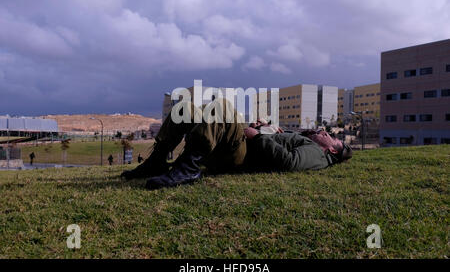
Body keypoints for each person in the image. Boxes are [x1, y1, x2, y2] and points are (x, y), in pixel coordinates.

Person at [121, 99, 352, 190]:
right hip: (239, 145)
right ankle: (157, 161)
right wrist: (260, 127)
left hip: (240, 156)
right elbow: (278, 144)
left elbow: (289, 163)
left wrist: (256, 135)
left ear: (332, 149)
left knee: (221, 106)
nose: (325, 132)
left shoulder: (319, 155)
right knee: (184, 108)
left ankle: (189, 170)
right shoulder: (306, 139)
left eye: (332, 138)